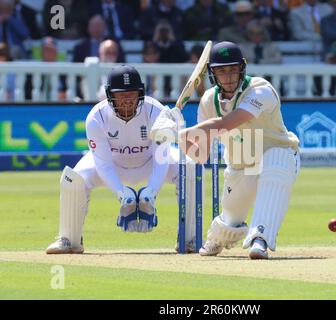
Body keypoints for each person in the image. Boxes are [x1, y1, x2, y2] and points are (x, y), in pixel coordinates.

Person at [46, 65, 201, 254]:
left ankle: (189, 239)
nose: (127, 101)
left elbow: (162, 158)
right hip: (113, 165)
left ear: (140, 93)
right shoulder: (96, 117)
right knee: (74, 179)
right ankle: (69, 239)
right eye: (121, 95)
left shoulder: (156, 112)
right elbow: (102, 163)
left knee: (189, 168)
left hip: (150, 163)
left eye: (132, 94)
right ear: (110, 95)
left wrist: (150, 193)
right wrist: (121, 193)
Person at [180, 42, 300, 259]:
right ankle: (218, 236)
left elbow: (228, 122)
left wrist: (188, 131)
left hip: (279, 151)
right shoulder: (208, 100)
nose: (228, 76)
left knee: (275, 168)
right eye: (222, 71)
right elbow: (200, 155)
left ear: (242, 68)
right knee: (231, 218)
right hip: (241, 164)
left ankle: (260, 239)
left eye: (233, 69)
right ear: (213, 73)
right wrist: (178, 135)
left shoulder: (260, 90)